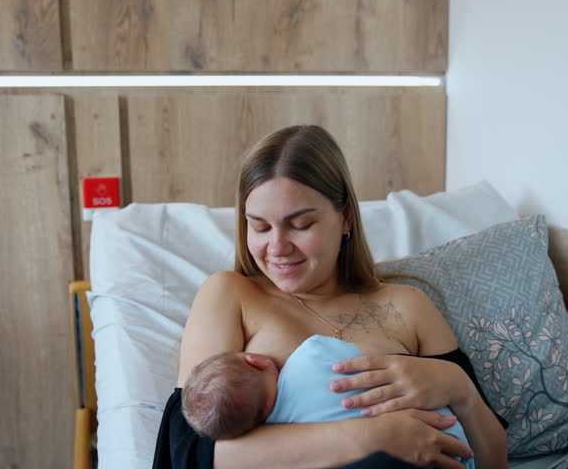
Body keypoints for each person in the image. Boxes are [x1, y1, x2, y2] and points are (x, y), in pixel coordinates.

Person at [152, 125, 507, 469]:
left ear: (346, 218)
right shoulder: (231, 294)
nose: (277, 247)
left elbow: (492, 460)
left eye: (300, 225)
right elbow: (186, 454)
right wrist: (370, 437)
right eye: (260, 227)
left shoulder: (408, 306)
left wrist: (459, 388)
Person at [180, 336, 476, 468]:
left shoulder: (277, 439)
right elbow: (356, 354)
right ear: (254, 359)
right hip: (451, 439)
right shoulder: (310, 354)